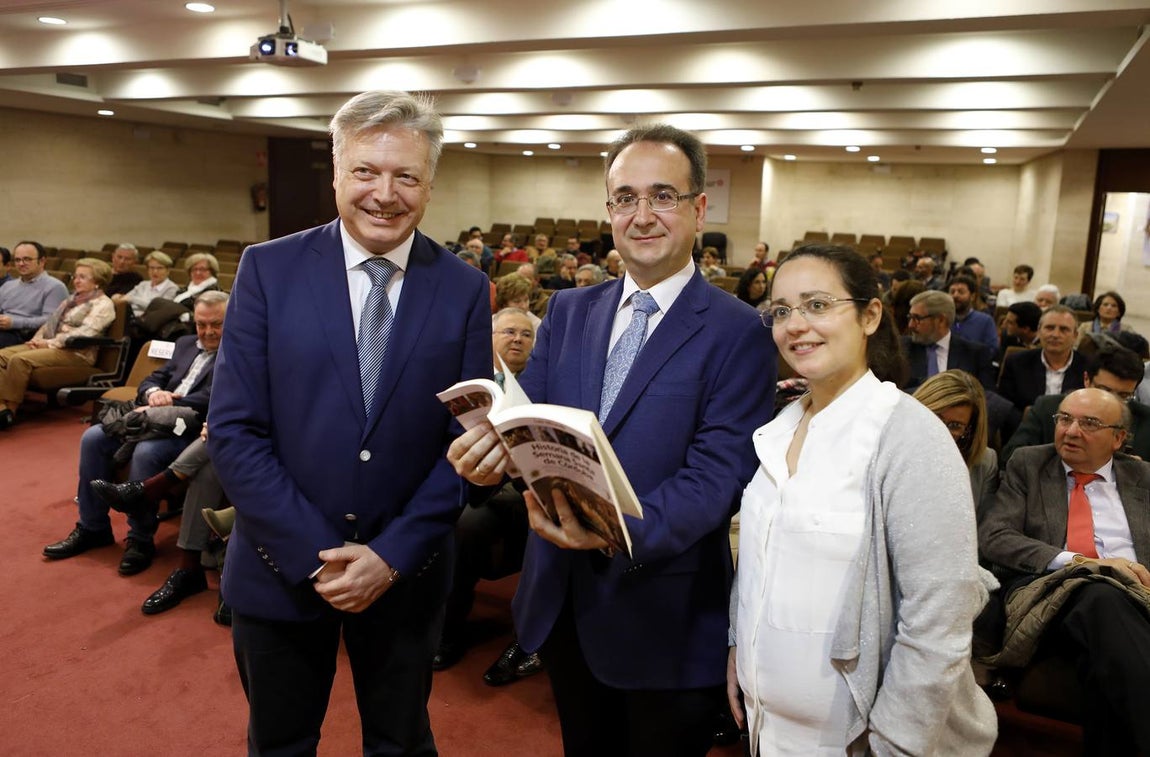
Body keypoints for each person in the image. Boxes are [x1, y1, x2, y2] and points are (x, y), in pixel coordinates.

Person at [449, 123, 775, 756]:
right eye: (625, 197)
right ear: (609, 211)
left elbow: (717, 478)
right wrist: (492, 456)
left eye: (663, 196)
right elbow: (533, 426)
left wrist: (613, 529)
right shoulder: (571, 309)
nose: (642, 215)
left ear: (699, 208)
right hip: (563, 598)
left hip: (662, 608)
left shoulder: (739, 331)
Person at [207, 90, 491, 755]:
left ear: (430, 184)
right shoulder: (267, 270)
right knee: (279, 742)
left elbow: (465, 443)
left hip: (408, 575)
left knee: (401, 741)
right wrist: (316, 558)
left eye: (406, 176)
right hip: (280, 566)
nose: (383, 193)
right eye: (366, 171)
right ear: (336, 172)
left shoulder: (464, 288)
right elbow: (235, 431)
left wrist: (388, 558)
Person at [728, 243, 995, 756]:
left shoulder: (909, 436)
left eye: (818, 305)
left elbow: (938, 619)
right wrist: (739, 649)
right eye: (781, 310)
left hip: (858, 740)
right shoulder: (779, 427)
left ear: (871, 315)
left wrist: (895, 743)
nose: (795, 324)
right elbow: (761, 566)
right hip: (770, 728)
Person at [979, 388, 1150, 755]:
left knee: (1111, 636)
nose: (1071, 431)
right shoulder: (1029, 464)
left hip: (1137, 598)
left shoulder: (1143, 478)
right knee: (1101, 596)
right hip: (1053, 594)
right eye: (1064, 419)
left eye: (1089, 423)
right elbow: (995, 537)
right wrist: (1081, 562)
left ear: (1118, 438)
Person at [42, 292, 226, 576]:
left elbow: (218, 396)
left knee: (147, 452)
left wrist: (171, 401)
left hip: (190, 428)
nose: (208, 331)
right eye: (202, 324)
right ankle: (93, 527)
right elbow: (155, 378)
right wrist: (153, 393)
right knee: (92, 438)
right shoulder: (186, 343)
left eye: (216, 324)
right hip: (151, 418)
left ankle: (140, 540)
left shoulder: (236, 352)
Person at [435, 308, 543, 684]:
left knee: (468, 522)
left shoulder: (543, 380)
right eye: (509, 331)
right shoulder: (472, 378)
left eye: (526, 335)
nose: (517, 339)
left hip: (518, 487)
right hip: (462, 471)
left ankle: (448, 631)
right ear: (491, 336)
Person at [0, 257, 115, 430]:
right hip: (52, 345)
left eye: (83, 277)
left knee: (19, 360)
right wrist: (37, 339)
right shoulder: (71, 300)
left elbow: (84, 333)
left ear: (98, 281)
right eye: (75, 276)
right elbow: (49, 325)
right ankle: (2, 408)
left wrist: (49, 343)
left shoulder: (104, 304)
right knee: (2, 355)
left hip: (77, 353)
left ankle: (11, 410)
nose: (76, 280)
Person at [1001, 343, 1150, 465]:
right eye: (1104, 391)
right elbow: (1010, 457)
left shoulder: (1146, 421)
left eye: (1123, 395)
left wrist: (1140, 471)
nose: (1111, 401)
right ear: (1086, 379)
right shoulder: (1047, 407)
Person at [913, 369, 998, 522]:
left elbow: (983, 531)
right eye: (934, 416)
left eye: (954, 425)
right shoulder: (888, 451)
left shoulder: (984, 462)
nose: (941, 430)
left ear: (968, 431)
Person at [998, 304, 1087, 411]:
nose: (1055, 334)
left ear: (1075, 336)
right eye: (1049, 328)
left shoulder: (1089, 367)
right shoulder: (1016, 362)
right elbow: (1005, 408)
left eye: (1064, 329)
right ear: (1039, 331)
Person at [901, 289, 995, 390]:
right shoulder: (901, 348)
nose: (910, 325)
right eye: (910, 317)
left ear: (941, 320)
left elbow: (985, 396)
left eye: (917, 318)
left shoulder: (974, 354)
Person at [0, 241, 68, 348]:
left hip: (27, 336)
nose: (21, 264)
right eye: (17, 260)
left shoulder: (55, 287)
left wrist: (14, 322)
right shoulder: (8, 285)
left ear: (42, 261)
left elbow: (50, 321)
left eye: (27, 259)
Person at [114, 250, 179, 317]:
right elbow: (125, 299)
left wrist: (132, 299)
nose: (155, 271)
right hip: (132, 319)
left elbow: (158, 308)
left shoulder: (172, 288)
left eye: (160, 268)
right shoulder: (143, 284)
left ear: (168, 270)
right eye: (152, 268)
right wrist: (118, 297)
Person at [948, 274, 998, 352]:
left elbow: (991, 349)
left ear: (972, 297)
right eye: (952, 292)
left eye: (961, 292)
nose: (955, 295)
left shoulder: (985, 321)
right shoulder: (942, 319)